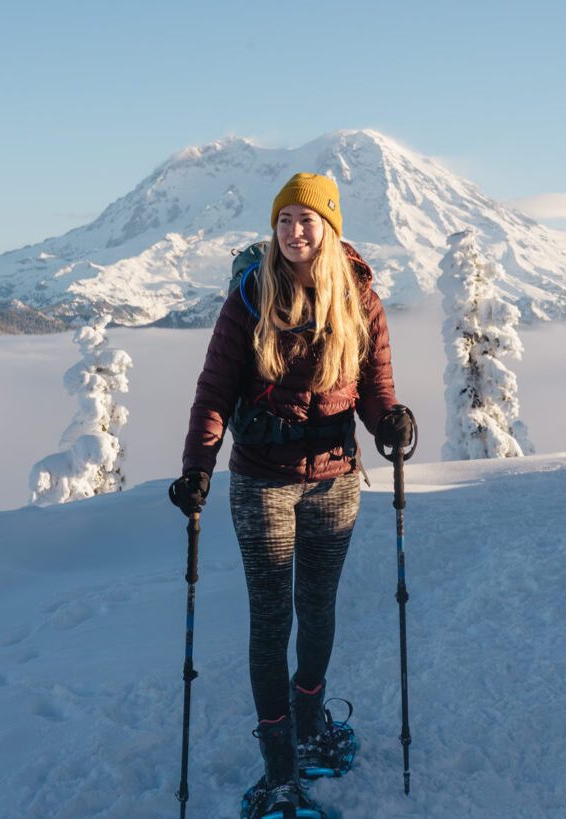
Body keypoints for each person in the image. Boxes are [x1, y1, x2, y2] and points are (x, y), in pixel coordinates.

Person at [170, 173, 413, 819]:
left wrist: (389, 421)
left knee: (318, 606)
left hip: (334, 477)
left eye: (307, 220)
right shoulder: (250, 295)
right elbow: (214, 392)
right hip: (260, 479)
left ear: (328, 228)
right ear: (273, 229)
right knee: (271, 617)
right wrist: (198, 467)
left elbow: (375, 389)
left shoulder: (359, 297)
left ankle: (308, 723)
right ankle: (280, 772)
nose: (294, 232)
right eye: (284, 220)